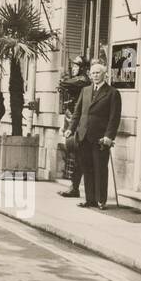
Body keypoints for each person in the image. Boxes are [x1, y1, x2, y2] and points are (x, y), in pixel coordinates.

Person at [67, 59, 122, 209]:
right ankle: (89, 199)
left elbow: (114, 117)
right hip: (83, 135)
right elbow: (77, 113)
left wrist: (109, 137)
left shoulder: (112, 93)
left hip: (100, 138)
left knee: (100, 169)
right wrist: (70, 129)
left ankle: (100, 200)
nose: (95, 76)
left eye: (98, 73)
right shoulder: (85, 91)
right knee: (87, 168)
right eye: (93, 73)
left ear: (104, 74)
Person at [58, 54, 91, 199]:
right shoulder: (77, 80)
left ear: (83, 68)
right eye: (74, 66)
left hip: (79, 122)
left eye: (77, 66)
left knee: (78, 154)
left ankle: (75, 187)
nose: (74, 69)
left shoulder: (83, 80)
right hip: (71, 118)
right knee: (72, 153)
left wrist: (63, 79)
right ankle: (74, 186)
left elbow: (64, 83)